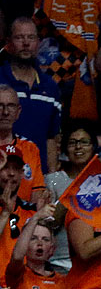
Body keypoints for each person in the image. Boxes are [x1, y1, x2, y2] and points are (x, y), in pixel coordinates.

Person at [0, 18, 63, 173]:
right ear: (8, 42)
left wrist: (52, 178)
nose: (26, 43)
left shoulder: (50, 87)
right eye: (19, 37)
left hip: (36, 180)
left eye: (31, 37)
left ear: (38, 43)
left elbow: (51, 138)